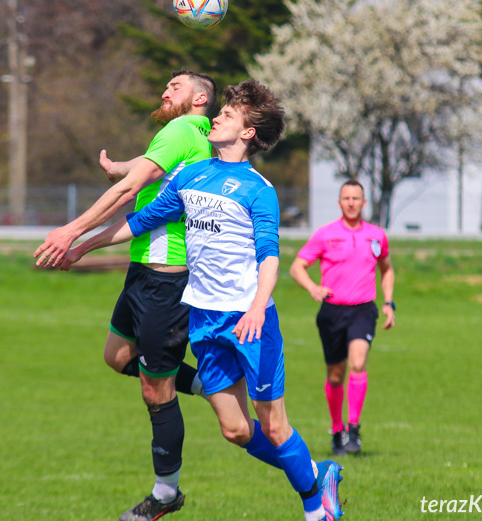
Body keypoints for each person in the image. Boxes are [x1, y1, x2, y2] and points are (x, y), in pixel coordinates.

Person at [60, 79, 343, 521]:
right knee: (234, 429)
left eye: (228, 115)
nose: (216, 117)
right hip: (206, 321)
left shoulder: (258, 189)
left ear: (248, 133)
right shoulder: (193, 175)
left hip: (251, 320)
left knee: (272, 424)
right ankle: (317, 474)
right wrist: (82, 246)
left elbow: (270, 257)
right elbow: (139, 222)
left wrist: (255, 307)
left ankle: (316, 507)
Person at [34, 70, 216, 520]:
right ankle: (214, 385)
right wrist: (126, 166)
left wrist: (71, 231)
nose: (163, 92)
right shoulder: (192, 136)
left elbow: (130, 191)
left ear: (198, 98)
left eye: (173, 87)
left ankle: (166, 493)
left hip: (167, 283)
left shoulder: (181, 130)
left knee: (156, 390)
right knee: (117, 357)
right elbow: (148, 170)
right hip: (141, 275)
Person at [288, 180, 395, 456]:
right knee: (336, 377)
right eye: (346, 198)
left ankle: (354, 430)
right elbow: (297, 267)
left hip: (363, 310)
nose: (351, 202)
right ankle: (337, 430)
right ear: (339, 203)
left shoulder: (376, 235)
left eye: (356, 198)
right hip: (332, 311)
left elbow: (387, 269)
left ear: (363, 203)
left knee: (358, 363)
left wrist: (389, 303)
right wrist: (313, 288)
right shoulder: (325, 234)